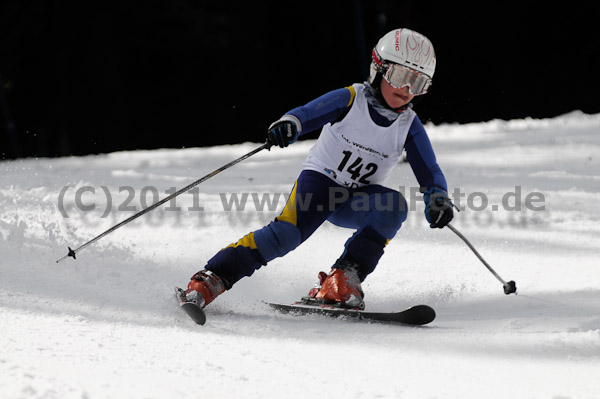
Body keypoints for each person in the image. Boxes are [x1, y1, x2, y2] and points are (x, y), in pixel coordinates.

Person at [183, 28, 454, 310]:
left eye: (418, 83)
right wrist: (290, 124)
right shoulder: (353, 99)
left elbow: (429, 169)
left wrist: (438, 197)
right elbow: (309, 113)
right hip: (320, 186)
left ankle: (341, 279)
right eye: (400, 77)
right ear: (378, 69)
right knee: (285, 235)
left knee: (393, 206)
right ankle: (212, 278)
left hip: (357, 199)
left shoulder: (408, 124)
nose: (407, 90)